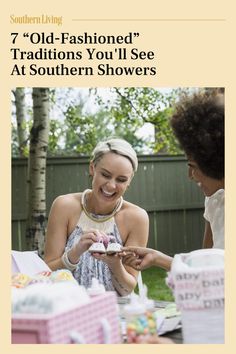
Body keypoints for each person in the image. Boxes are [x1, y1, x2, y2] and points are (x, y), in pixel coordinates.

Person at [122, 89, 224, 272]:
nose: (190, 175)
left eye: (193, 165)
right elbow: (205, 270)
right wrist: (157, 258)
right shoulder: (215, 201)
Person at [44, 138, 149, 296]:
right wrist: (75, 253)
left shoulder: (137, 218)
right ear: (92, 168)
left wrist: (114, 265)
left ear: (129, 181)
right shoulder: (64, 206)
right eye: (105, 175)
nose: (111, 186)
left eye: (121, 180)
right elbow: (47, 274)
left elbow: (126, 290)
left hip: (115, 310)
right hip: (66, 305)